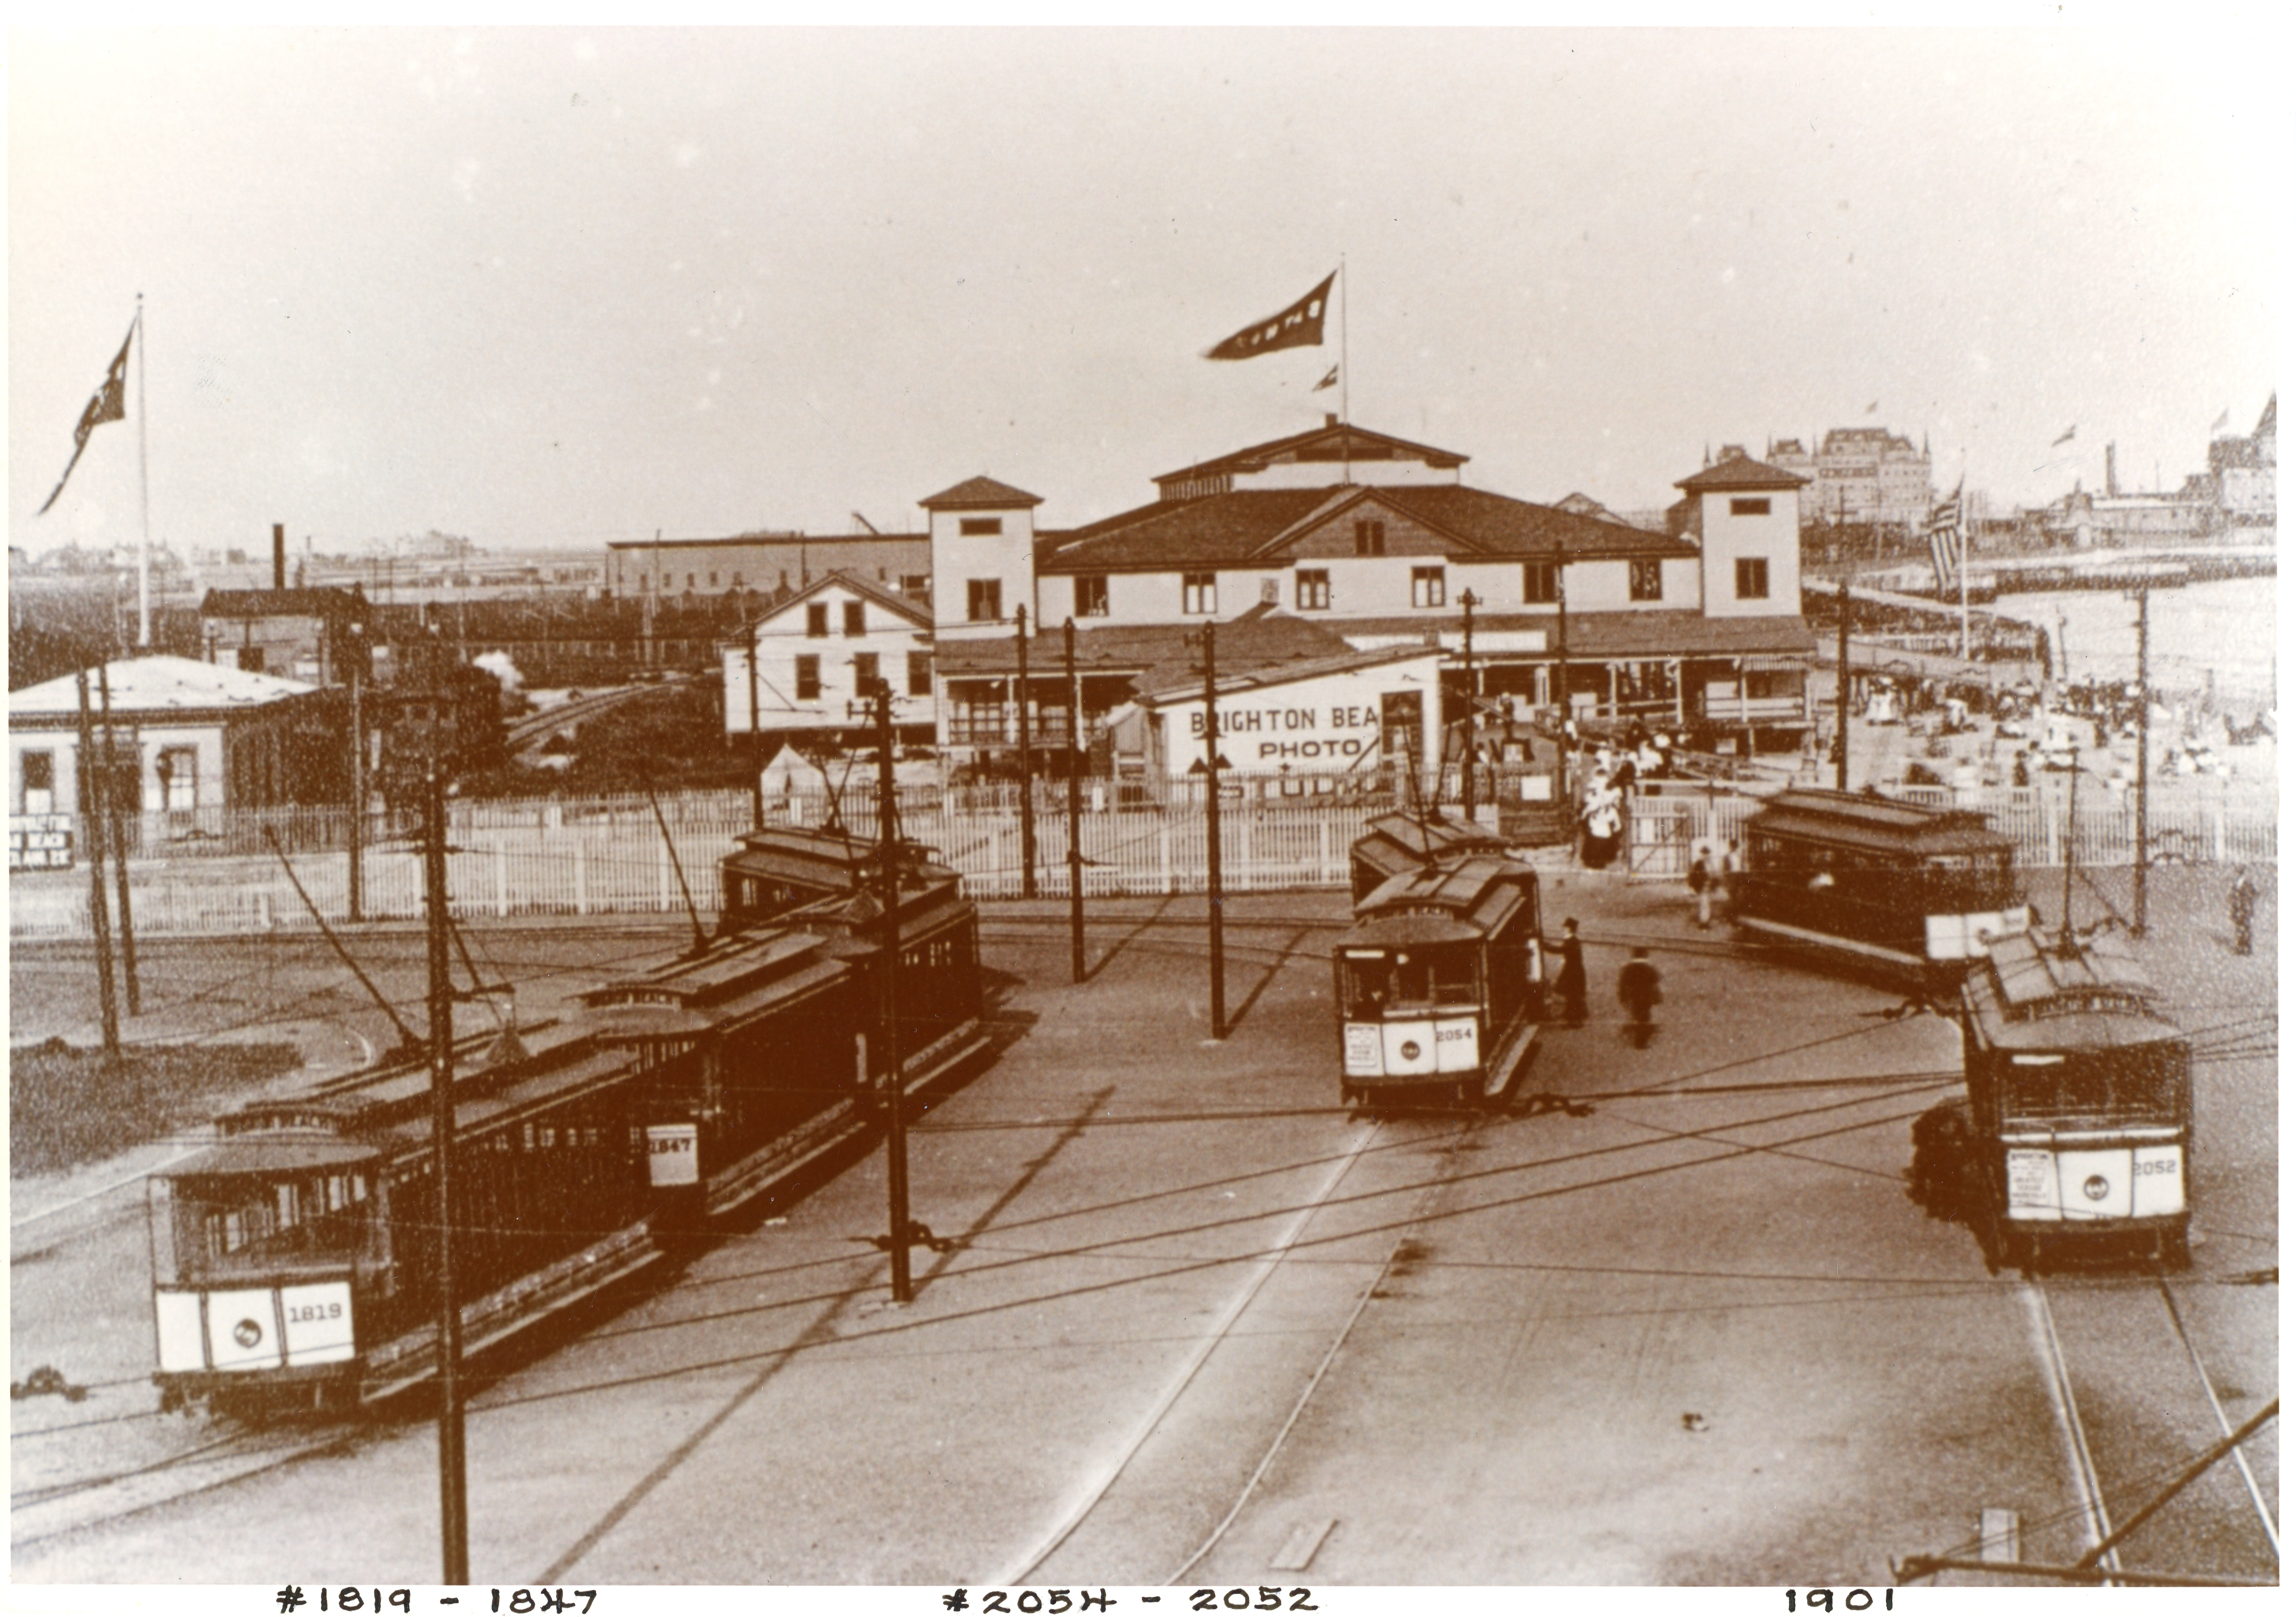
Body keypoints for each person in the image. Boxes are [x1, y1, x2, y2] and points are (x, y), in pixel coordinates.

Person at [1617, 947, 1661, 1049]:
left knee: (1636, 1015)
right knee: (1645, 1016)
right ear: (1645, 955)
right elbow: (1656, 980)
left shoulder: (1628, 968)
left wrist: (1623, 997)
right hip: (1646, 997)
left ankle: (1637, 1038)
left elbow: (1623, 983)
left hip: (1634, 996)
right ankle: (1642, 1041)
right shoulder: (1650, 968)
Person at [1554, 918, 1588, 1027]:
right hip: (1575, 970)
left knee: (1572, 996)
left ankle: (1573, 1021)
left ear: (1569, 928)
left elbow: (1561, 951)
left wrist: (1544, 946)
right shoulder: (1574, 940)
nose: (1564, 929)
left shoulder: (1571, 941)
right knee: (1572, 995)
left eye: (1565, 927)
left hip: (1572, 971)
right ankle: (1572, 1017)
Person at [2230, 867, 2258, 955]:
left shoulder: (2242, 884)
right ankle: (2243, 948)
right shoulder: (2243, 883)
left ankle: (2244, 948)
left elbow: (2236, 897)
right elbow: (2254, 894)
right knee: (2243, 928)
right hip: (2242, 909)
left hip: (2242, 910)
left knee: (2242, 929)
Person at [1688, 845, 1712, 929]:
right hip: (1702, 887)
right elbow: (1692, 876)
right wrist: (1692, 887)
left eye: (1707, 854)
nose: (1706, 856)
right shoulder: (1698, 864)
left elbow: (1712, 875)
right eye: (1704, 854)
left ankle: (1705, 921)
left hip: (1708, 887)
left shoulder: (1709, 864)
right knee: (1704, 904)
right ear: (1702, 855)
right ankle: (1703, 923)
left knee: (1707, 904)